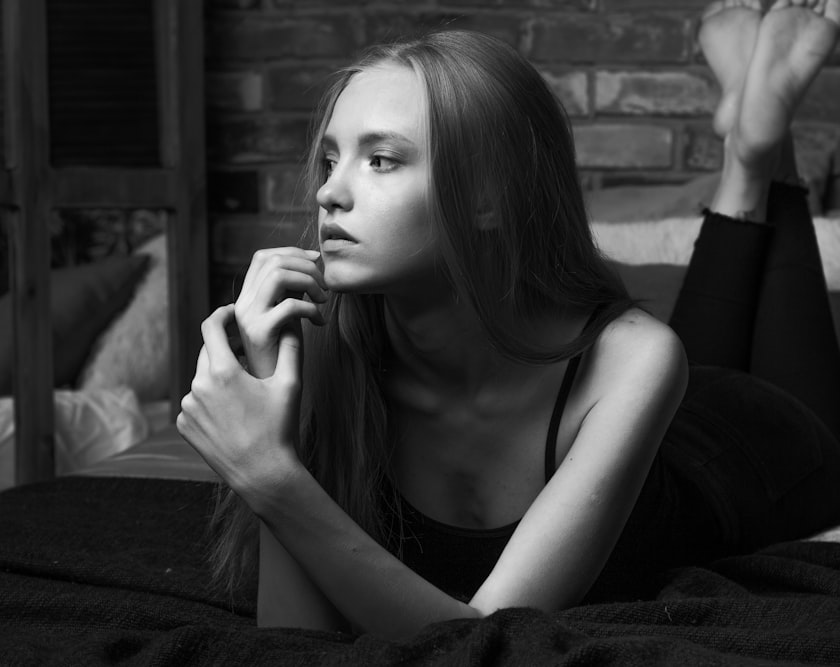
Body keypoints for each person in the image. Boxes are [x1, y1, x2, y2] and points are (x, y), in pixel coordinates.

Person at [176, 0, 840, 640]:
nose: (329, 190)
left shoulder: (635, 359)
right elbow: (293, 643)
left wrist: (269, 472)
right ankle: (754, 146)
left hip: (745, 457)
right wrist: (275, 414)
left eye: (380, 160)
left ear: (490, 198)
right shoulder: (319, 339)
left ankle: (753, 157)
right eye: (330, 159)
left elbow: (487, 638)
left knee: (688, 359)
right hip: (648, 411)